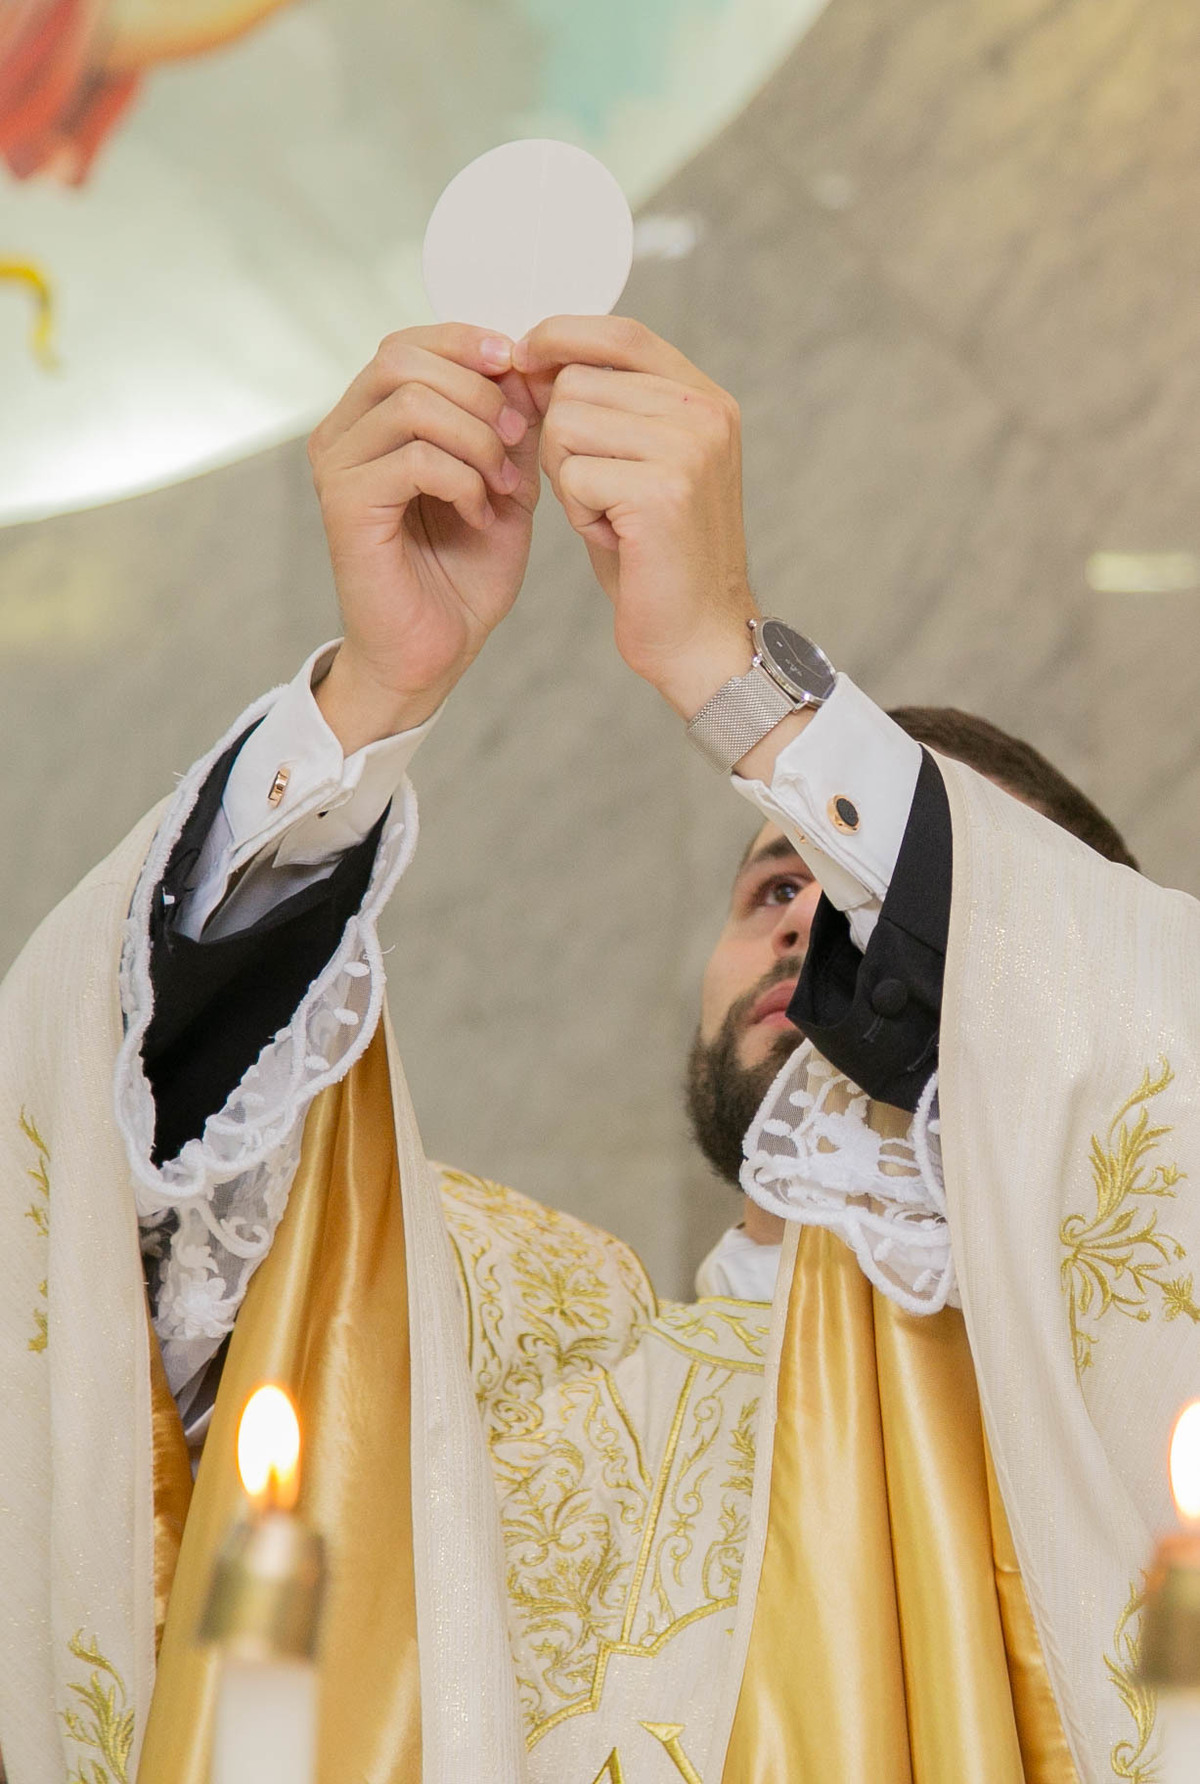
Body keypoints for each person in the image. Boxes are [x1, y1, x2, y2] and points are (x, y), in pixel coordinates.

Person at [0, 315, 1192, 1784]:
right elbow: (90, 1212)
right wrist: (370, 697)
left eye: (863, 889)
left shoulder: (1105, 1430)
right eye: (772, 883)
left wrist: (732, 678)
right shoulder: (483, 1346)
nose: (806, 919)